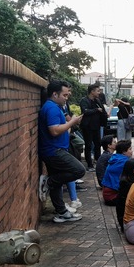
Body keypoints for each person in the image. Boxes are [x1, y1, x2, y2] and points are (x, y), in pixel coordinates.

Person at [38, 80, 86, 223]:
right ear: (54, 94)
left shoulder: (55, 106)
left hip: (54, 149)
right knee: (78, 170)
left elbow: (62, 127)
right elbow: (54, 130)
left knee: (58, 182)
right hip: (53, 151)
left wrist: (70, 124)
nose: (67, 97)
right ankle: (49, 182)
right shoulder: (51, 108)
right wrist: (72, 122)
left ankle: (62, 213)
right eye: (64, 95)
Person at [101, 140, 134, 205]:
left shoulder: (116, 157)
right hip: (112, 197)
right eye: (130, 149)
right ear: (124, 152)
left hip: (108, 194)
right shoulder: (123, 161)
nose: (132, 151)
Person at [79, 83, 106, 171]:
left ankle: (98, 162)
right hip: (87, 127)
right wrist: (96, 110)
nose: (99, 93)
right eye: (97, 91)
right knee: (88, 145)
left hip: (96, 126)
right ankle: (89, 165)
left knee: (98, 144)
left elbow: (102, 110)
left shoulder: (97, 100)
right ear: (92, 92)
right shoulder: (84, 100)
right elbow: (85, 111)